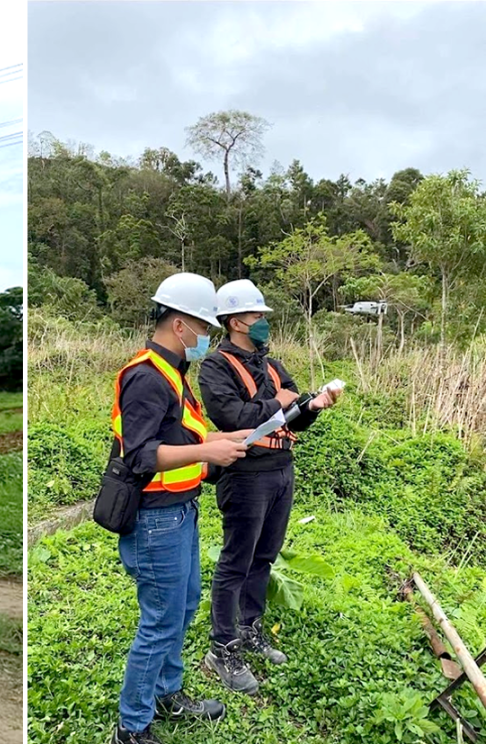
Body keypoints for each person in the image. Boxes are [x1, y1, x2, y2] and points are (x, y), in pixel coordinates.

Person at [109, 273, 254, 744]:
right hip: (155, 519)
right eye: (203, 328)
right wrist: (207, 454)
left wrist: (223, 439)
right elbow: (141, 456)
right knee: (160, 621)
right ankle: (132, 727)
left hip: (181, 510)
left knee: (184, 604)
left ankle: (168, 693)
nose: (206, 338)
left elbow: (183, 437)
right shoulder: (146, 376)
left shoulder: (174, 373)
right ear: (178, 325)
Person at [198, 279, 342, 695]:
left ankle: (249, 628)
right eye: (257, 316)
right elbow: (229, 415)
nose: (263, 322)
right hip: (245, 473)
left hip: (281, 468)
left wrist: (312, 406)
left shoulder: (273, 364)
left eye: (263, 316)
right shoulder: (216, 365)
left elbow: (294, 409)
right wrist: (279, 402)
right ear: (235, 320)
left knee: (264, 557)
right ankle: (221, 648)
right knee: (236, 562)